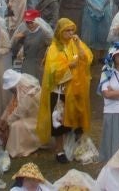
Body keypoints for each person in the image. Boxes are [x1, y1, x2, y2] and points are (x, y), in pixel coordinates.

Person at [37, 17, 93, 164]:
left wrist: (78, 44)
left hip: (74, 90)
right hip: (59, 91)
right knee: (59, 121)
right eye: (67, 30)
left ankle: (74, 146)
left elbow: (86, 59)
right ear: (60, 32)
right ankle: (60, 150)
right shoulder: (54, 48)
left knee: (74, 118)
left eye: (72, 30)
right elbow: (52, 71)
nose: (70, 33)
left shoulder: (75, 44)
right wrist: (70, 65)